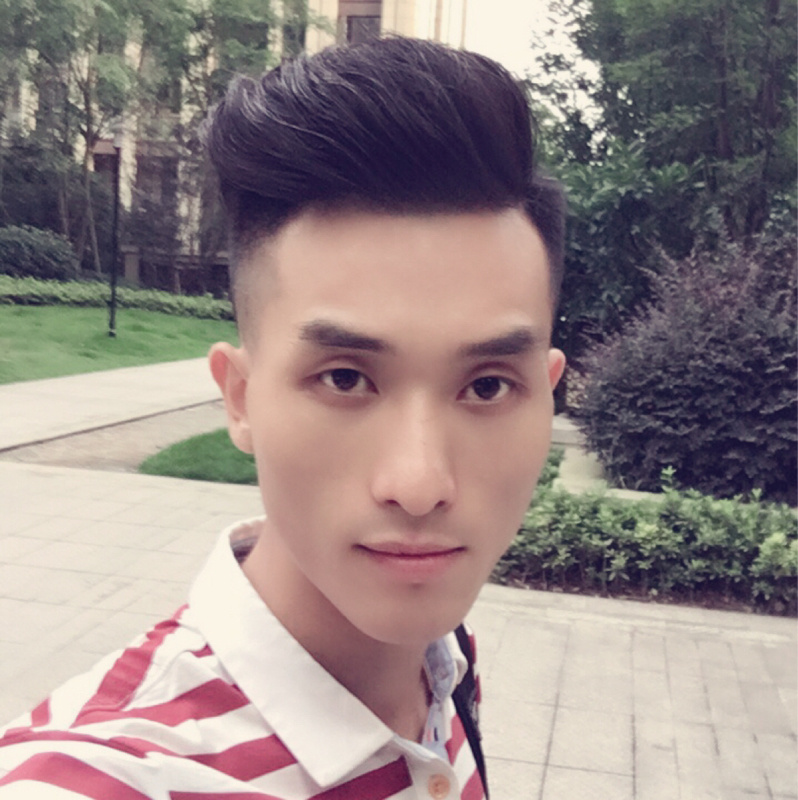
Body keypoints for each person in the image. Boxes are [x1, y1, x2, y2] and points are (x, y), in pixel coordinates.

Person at [0, 37, 565, 799]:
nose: (420, 485)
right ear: (239, 398)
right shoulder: (94, 780)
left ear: (547, 393)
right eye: (345, 378)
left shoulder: (444, 666)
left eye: (488, 387)